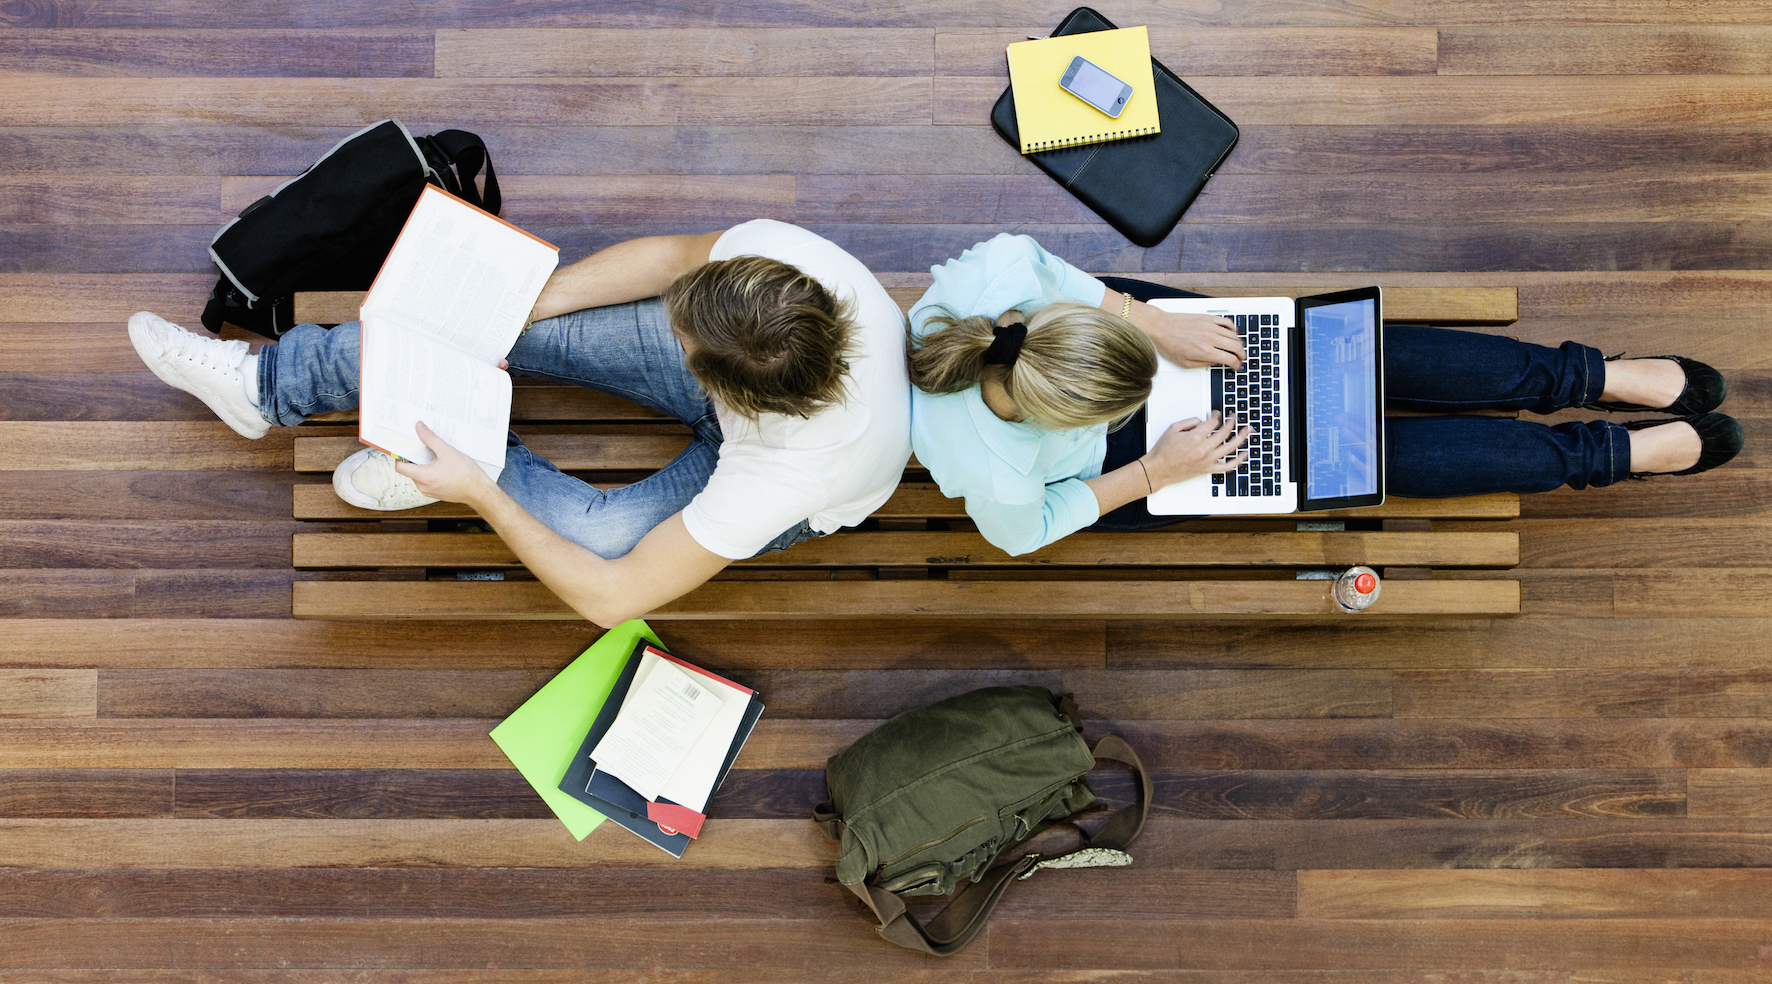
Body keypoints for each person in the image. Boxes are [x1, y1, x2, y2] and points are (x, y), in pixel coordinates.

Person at [130, 220, 911, 626]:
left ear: (714, 380)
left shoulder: (789, 473)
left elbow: (613, 596)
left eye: (682, 338)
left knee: (602, 541)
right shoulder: (782, 269)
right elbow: (675, 254)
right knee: (486, 320)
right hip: (766, 392)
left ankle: (457, 463)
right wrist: (531, 307)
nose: (668, 327)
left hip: (787, 480)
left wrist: (480, 492)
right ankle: (264, 385)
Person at [907, 234, 1743, 557]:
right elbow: (1028, 532)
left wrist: (1157, 328)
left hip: (1135, 333)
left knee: (1348, 362)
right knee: (1349, 457)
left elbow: (1055, 274)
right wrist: (1156, 473)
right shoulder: (993, 472)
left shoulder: (995, 282)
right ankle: (1601, 454)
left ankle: (1586, 377)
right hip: (1131, 463)